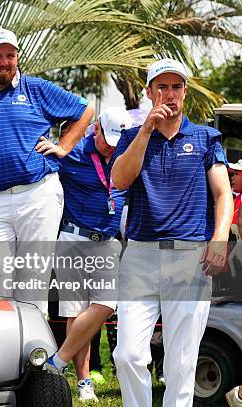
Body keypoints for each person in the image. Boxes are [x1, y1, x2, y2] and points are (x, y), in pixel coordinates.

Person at [111, 58, 232, 407]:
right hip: (140, 255)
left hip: (191, 257)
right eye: (161, 87)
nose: (169, 94)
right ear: (149, 93)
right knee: (128, 355)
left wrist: (220, 238)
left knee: (182, 361)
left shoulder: (207, 137)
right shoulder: (133, 136)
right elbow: (119, 180)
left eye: (176, 87)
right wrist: (146, 131)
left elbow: (223, 194)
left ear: (185, 92)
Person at [0, 28, 94, 310]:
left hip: (38, 194)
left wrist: (63, 146)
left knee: (33, 281)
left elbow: (85, 111)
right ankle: (3, 350)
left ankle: (32, 352)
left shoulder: (35, 88)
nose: (4, 62)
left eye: (10, 55)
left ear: (17, 58)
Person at [46, 107, 132, 402]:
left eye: (116, 140)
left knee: (107, 305)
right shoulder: (72, 153)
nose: (111, 145)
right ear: (95, 129)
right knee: (74, 312)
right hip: (73, 237)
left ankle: (56, 363)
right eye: (106, 138)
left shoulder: (127, 153)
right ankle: (84, 383)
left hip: (108, 241)